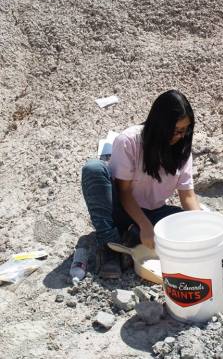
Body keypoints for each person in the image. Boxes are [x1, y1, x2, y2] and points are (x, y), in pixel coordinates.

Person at [81, 90, 201, 279]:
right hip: (122, 210)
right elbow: (124, 192)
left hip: (154, 212)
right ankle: (110, 249)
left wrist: (202, 226)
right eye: (177, 130)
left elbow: (187, 195)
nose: (181, 136)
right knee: (93, 169)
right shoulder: (129, 141)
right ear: (161, 125)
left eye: (185, 130)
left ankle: (132, 240)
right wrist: (145, 226)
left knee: (189, 222)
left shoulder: (181, 149)